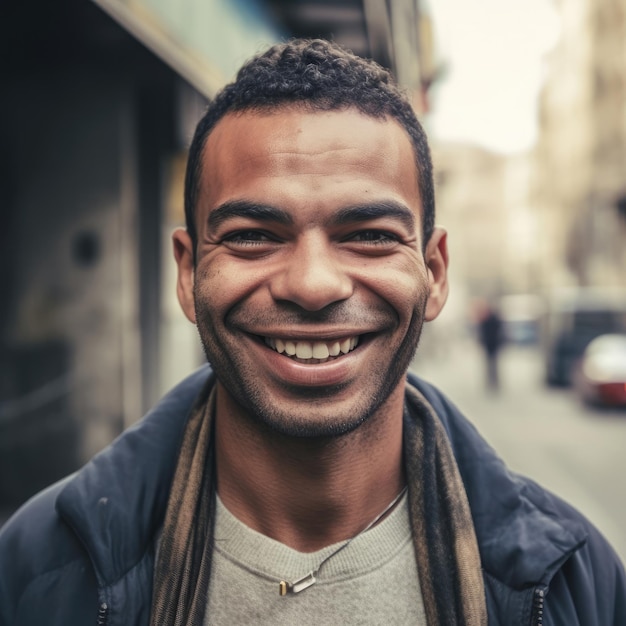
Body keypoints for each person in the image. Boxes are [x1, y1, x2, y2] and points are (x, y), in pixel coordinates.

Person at [0, 38, 624, 626]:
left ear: (433, 273)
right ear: (188, 273)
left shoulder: (577, 582)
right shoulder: (39, 570)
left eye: (370, 236)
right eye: (252, 236)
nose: (314, 284)